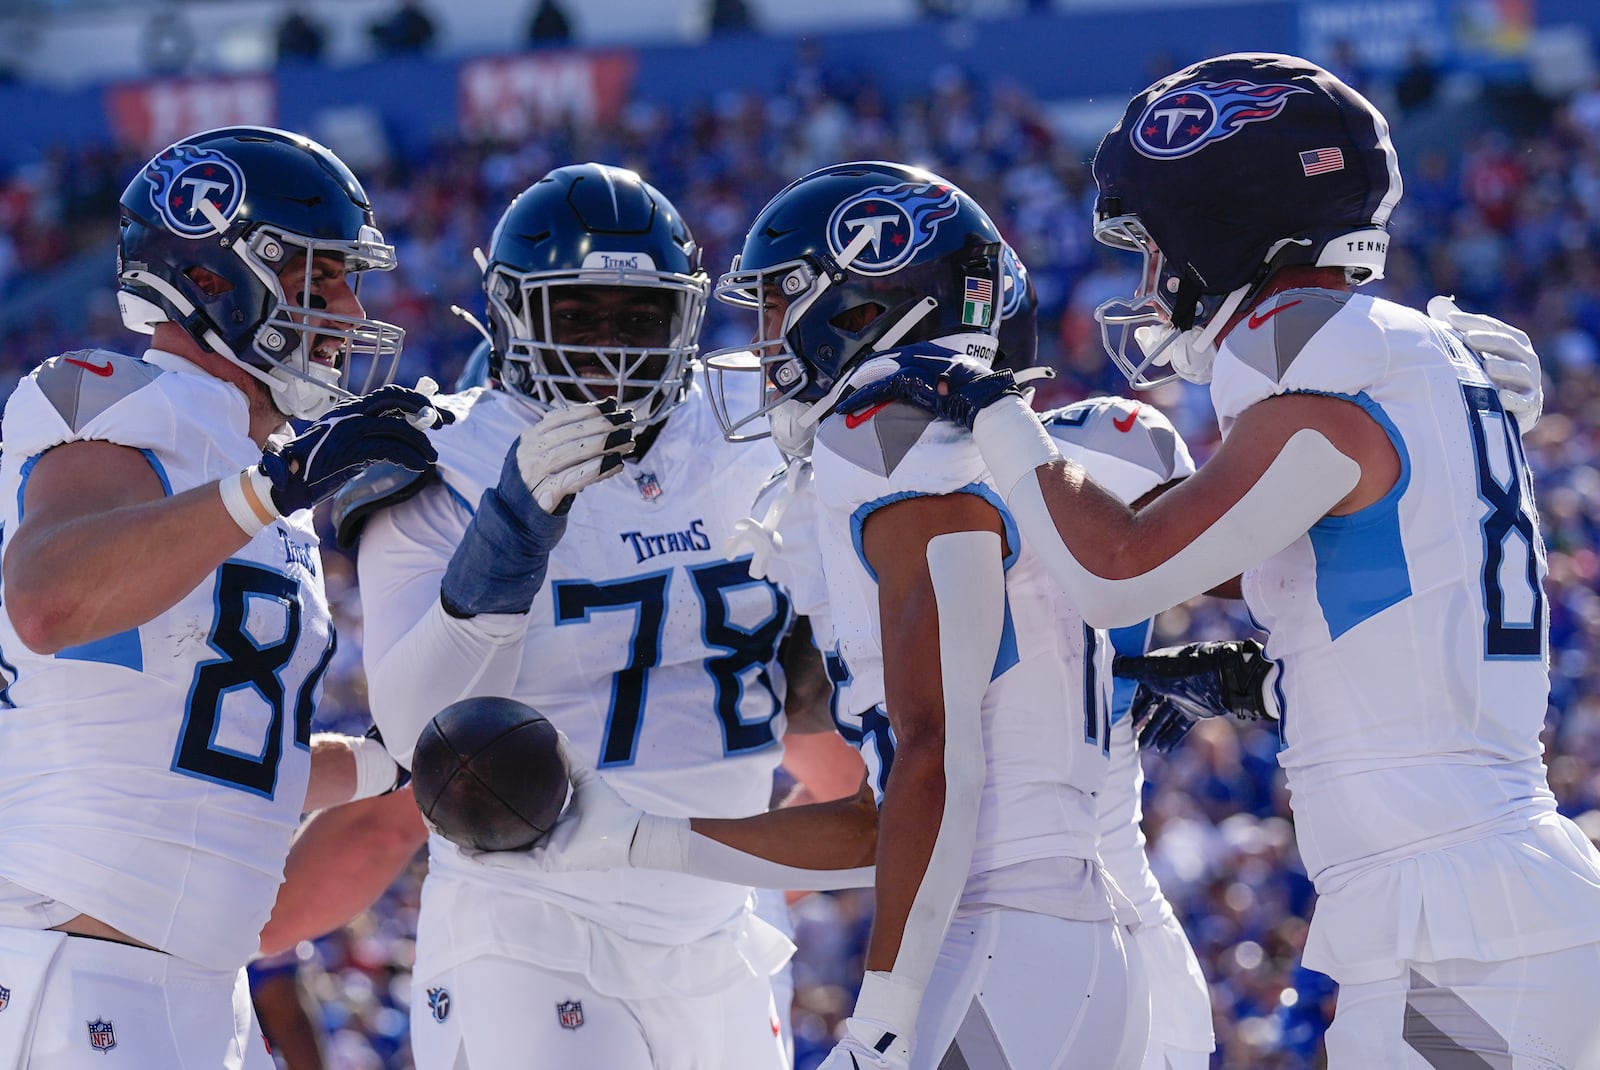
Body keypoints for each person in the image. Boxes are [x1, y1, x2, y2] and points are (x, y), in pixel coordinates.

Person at [844, 53, 1600, 1065]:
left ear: (1223, 221)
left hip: (1458, 911)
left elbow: (1119, 565)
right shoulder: (1399, 365)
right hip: (1461, 897)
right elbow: (1316, 568)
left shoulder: (1325, 382)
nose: (1151, 277)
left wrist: (996, 415)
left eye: (1157, 242)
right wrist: (1267, 684)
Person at [551, 160, 1150, 1069]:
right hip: (1060, 940)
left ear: (865, 304)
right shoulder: (989, 446)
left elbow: (938, 760)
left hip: (987, 948)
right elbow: (885, 822)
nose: (762, 343)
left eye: (780, 304)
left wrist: (885, 1018)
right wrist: (640, 840)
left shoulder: (887, 441)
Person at [286, 162, 837, 1069]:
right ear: (509, 314)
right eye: (575, 315)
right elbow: (414, 720)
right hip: (533, 924)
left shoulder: (762, 413)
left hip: (729, 922)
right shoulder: (446, 456)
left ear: (688, 315)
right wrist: (511, 531)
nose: (608, 349)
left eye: (638, 317)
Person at [0, 125, 440, 1067]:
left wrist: (394, 766)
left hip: (192, 980)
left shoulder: (261, 480)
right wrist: (271, 485)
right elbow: (49, 602)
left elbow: (229, 753)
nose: (352, 307)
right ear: (211, 279)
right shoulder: (107, 394)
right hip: (75, 968)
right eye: (321, 280)